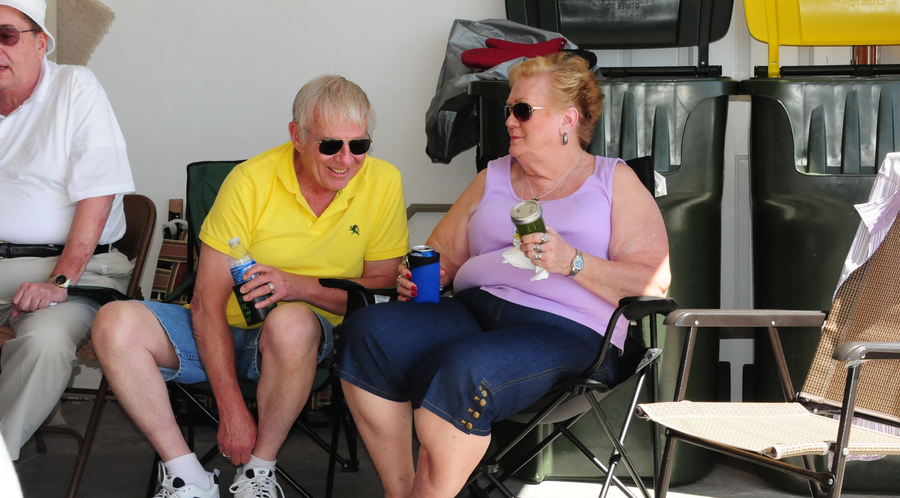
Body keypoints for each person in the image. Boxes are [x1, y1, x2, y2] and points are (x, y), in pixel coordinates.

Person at [336, 52, 671, 498]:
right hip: (473, 311)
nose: (510, 120)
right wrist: (417, 276)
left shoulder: (613, 180)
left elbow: (653, 283)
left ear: (567, 119)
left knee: (466, 369)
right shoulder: (492, 176)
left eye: (523, 110)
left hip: (570, 331)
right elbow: (441, 254)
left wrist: (573, 262)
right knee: (368, 332)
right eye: (508, 109)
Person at [92, 74, 410, 498]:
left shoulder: (383, 180)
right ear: (297, 136)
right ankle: (185, 475)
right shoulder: (250, 180)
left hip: (305, 346)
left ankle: (258, 472)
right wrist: (232, 408)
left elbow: (380, 289)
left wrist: (299, 287)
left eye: (360, 145)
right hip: (221, 334)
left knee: (292, 322)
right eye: (331, 144)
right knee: (113, 321)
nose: (346, 159)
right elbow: (206, 302)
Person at [0, 0, 135, 461]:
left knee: (43, 343)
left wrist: (60, 279)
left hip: (74, 271)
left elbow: (98, 196)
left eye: (6, 35)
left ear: (41, 43)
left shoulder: (75, 87)